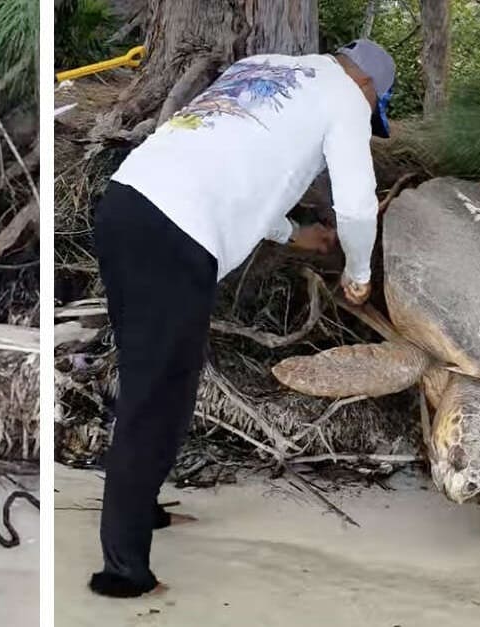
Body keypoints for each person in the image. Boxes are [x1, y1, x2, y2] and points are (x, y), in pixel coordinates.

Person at [89, 39, 397, 598]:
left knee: (160, 382)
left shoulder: (261, 66)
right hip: (176, 234)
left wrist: (293, 233)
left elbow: (234, 168)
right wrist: (357, 273)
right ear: (369, 89)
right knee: (155, 396)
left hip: (127, 204)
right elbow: (357, 205)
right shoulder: (346, 99)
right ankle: (123, 571)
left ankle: (142, 511)